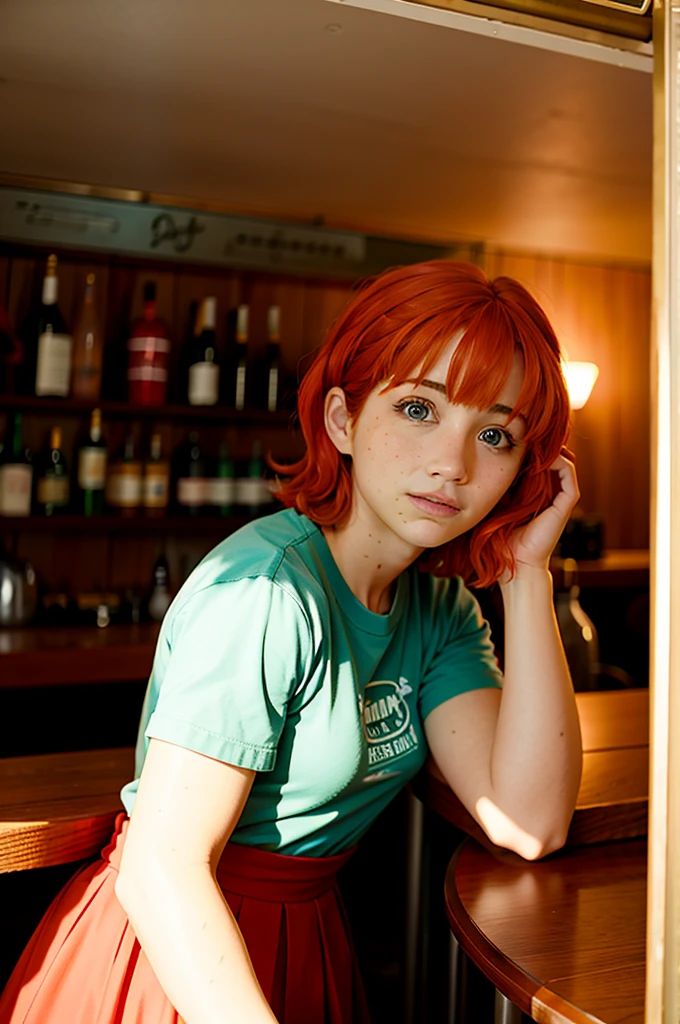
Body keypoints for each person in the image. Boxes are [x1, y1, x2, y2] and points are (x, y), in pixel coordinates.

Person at [0, 260, 582, 1024]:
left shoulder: (439, 610)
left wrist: (528, 573)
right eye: (417, 409)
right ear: (342, 419)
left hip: (302, 938)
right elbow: (161, 868)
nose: (454, 462)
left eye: (496, 433)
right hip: (170, 960)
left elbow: (530, 821)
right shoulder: (267, 592)